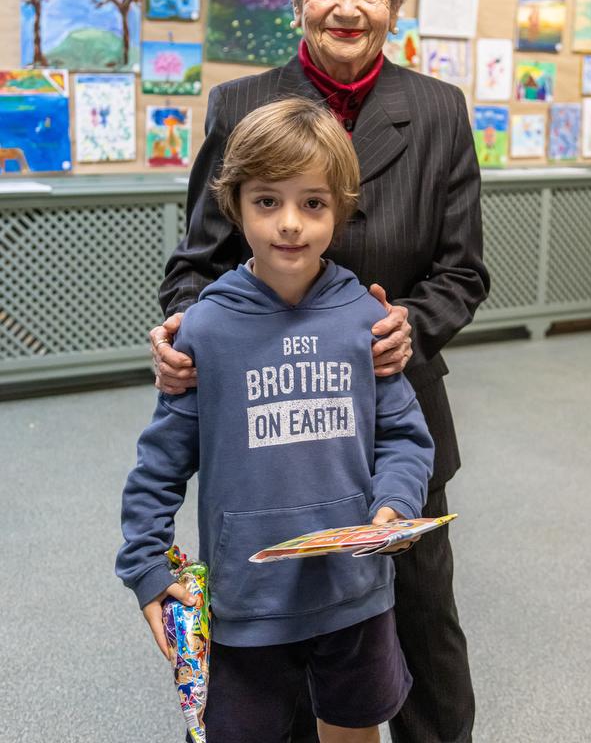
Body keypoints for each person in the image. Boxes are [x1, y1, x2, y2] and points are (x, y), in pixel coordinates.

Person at [153, 0, 490, 743]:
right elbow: (196, 265)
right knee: (287, 621)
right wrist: (183, 335)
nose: (347, 5)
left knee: (421, 616)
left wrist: (409, 322)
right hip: (272, 433)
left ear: (395, 5)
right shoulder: (239, 106)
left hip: (394, 416)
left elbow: (462, 273)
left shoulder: (440, 112)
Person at [117, 99, 435, 743]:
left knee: (354, 726)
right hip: (246, 600)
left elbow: (404, 437)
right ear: (235, 205)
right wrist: (147, 565)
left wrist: (395, 505)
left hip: (354, 591)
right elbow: (159, 465)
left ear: (340, 209)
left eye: (313, 203)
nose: (290, 223)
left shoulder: (366, 320)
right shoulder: (206, 328)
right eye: (267, 201)